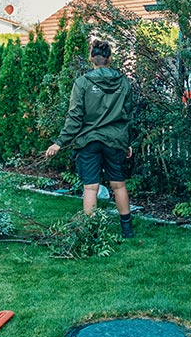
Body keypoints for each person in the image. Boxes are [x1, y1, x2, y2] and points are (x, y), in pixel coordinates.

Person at [45, 39, 136, 238]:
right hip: (115, 140)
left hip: (89, 141)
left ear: (91, 58)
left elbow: (75, 116)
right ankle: (127, 230)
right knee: (119, 185)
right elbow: (127, 113)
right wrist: (126, 141)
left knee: (91, 187)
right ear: (109, 58)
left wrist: (60, 142)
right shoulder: (123, 82)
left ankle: (90, 233)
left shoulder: (83, 83)